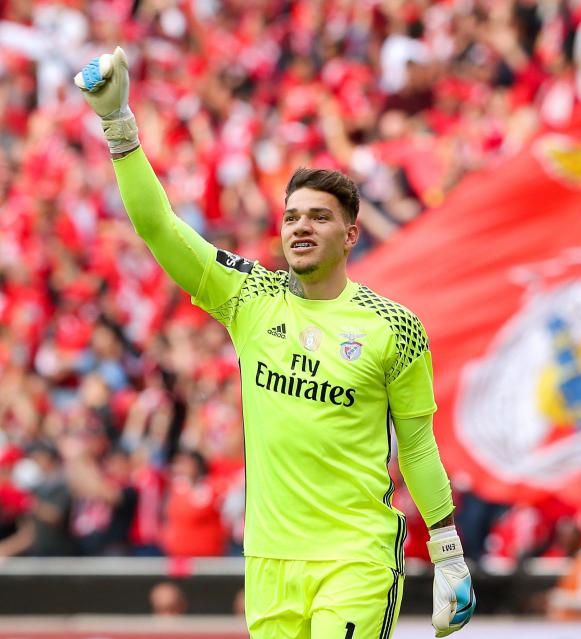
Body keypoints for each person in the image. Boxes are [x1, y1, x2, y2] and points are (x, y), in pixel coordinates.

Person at [74, 47, 475, 639]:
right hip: (268, 559)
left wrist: (448, 553)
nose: (300, 227)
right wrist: (118, 126)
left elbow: (417, 448)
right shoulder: (249, 298)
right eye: (291, 217)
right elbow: (160, 227)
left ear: (351, 234)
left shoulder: (395, 326)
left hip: (356, 556)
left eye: (318, 216)